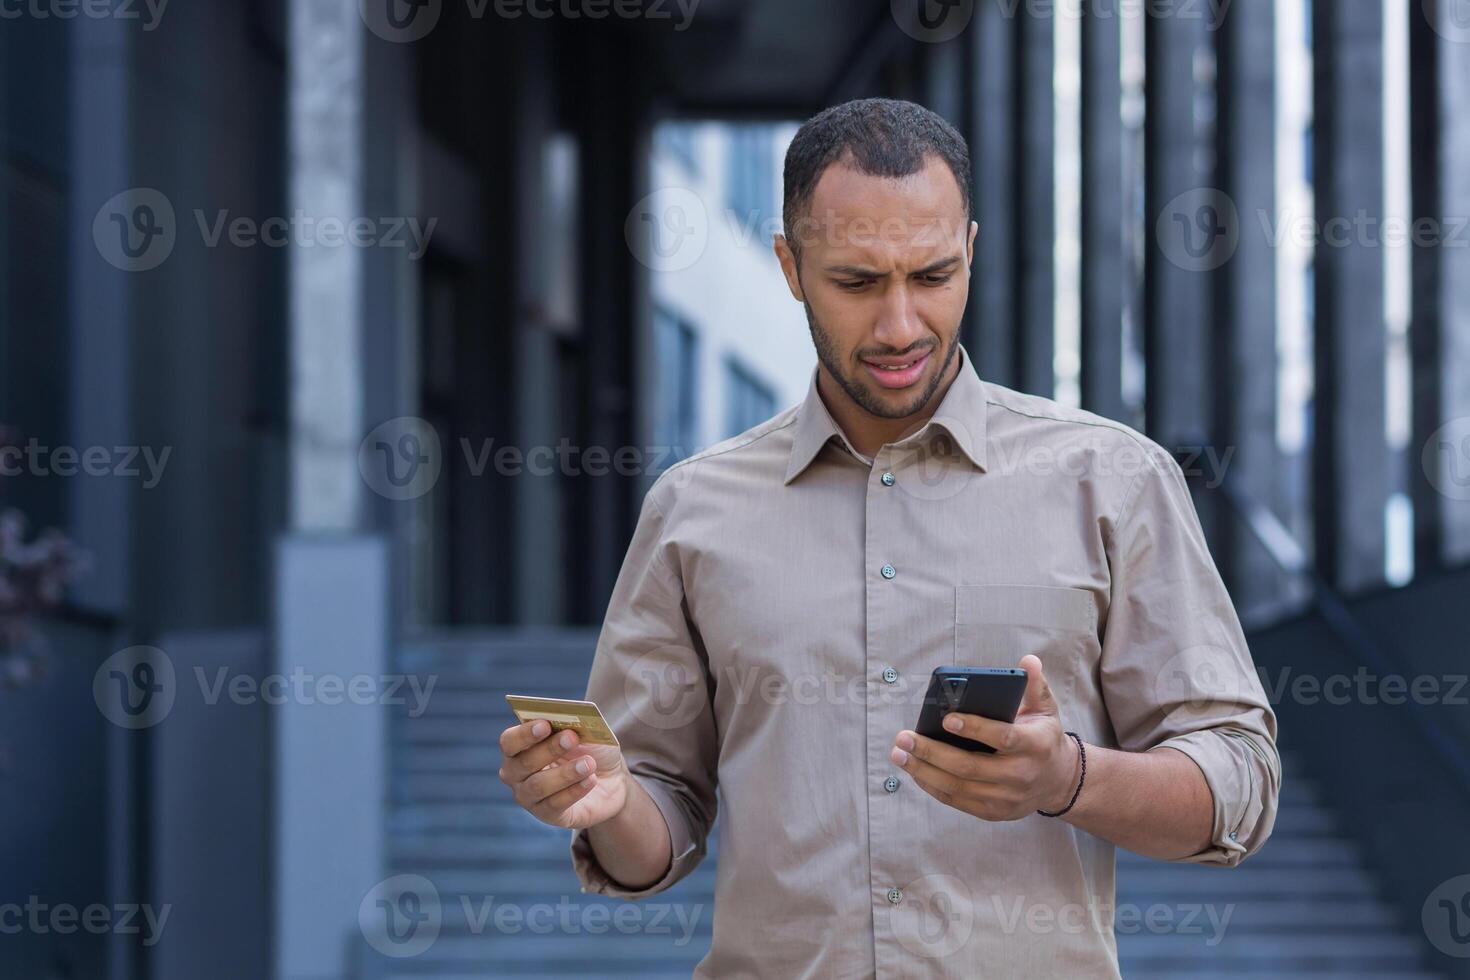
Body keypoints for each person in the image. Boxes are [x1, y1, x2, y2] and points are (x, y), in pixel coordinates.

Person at [497, 97, 1279, 978]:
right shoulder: (692, 509)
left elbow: (1238, 784)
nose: (901, 326)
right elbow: (657, 826)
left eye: (934, 276)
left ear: (973, 253)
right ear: (790, 268)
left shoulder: (1114, 481)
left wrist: (1064, 779)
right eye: (858, 282)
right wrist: (602, 802)